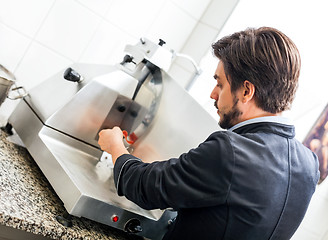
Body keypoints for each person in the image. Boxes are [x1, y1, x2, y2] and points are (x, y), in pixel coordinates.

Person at [98, 27, 320, 240]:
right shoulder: (309, 165)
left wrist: (116, 146)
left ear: (246, 91)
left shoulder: (231, 151)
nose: (213, 94)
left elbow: (143, 187)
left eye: (220, 84)